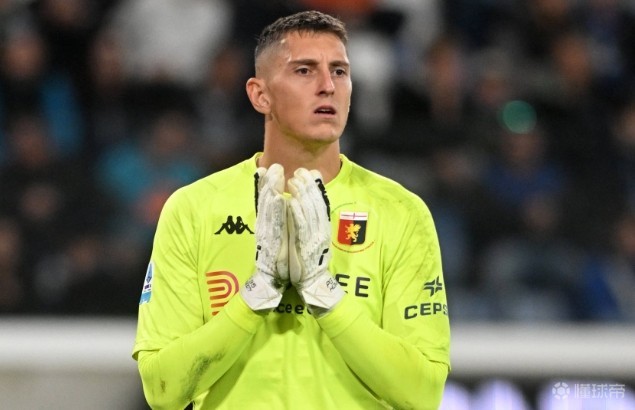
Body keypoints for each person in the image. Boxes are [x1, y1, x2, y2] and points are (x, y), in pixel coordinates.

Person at [132, 10, 450, 410]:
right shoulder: (193, 210)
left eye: (339, 71)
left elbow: (422, 394)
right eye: (304, 70)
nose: (327, 86)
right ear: (259, 95)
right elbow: (162, 389)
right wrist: (254, 298)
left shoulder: (400, 213)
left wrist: (325, 295)